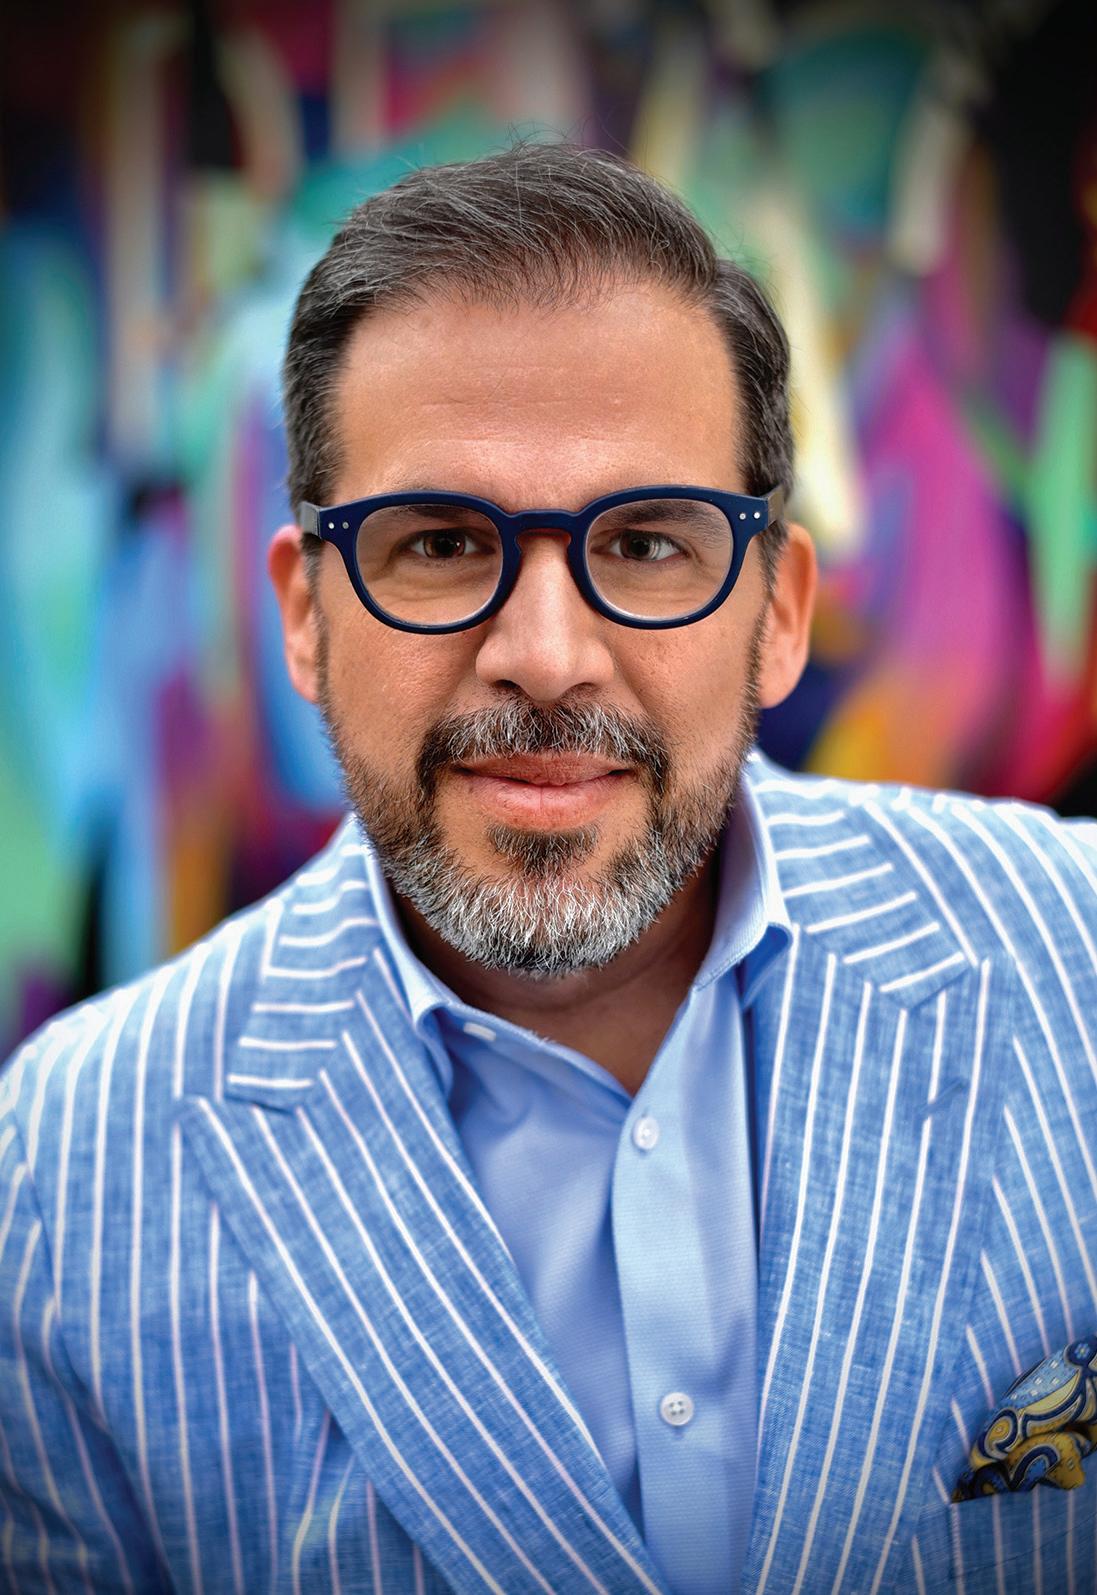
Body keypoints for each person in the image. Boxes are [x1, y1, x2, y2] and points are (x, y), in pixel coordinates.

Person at [1, 143, 1095, 1595]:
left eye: (643, 544)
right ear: (306, 616)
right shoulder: (63, 1180)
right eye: (441, 544)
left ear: (777, 612)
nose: (545, 655)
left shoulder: (1076, 959)